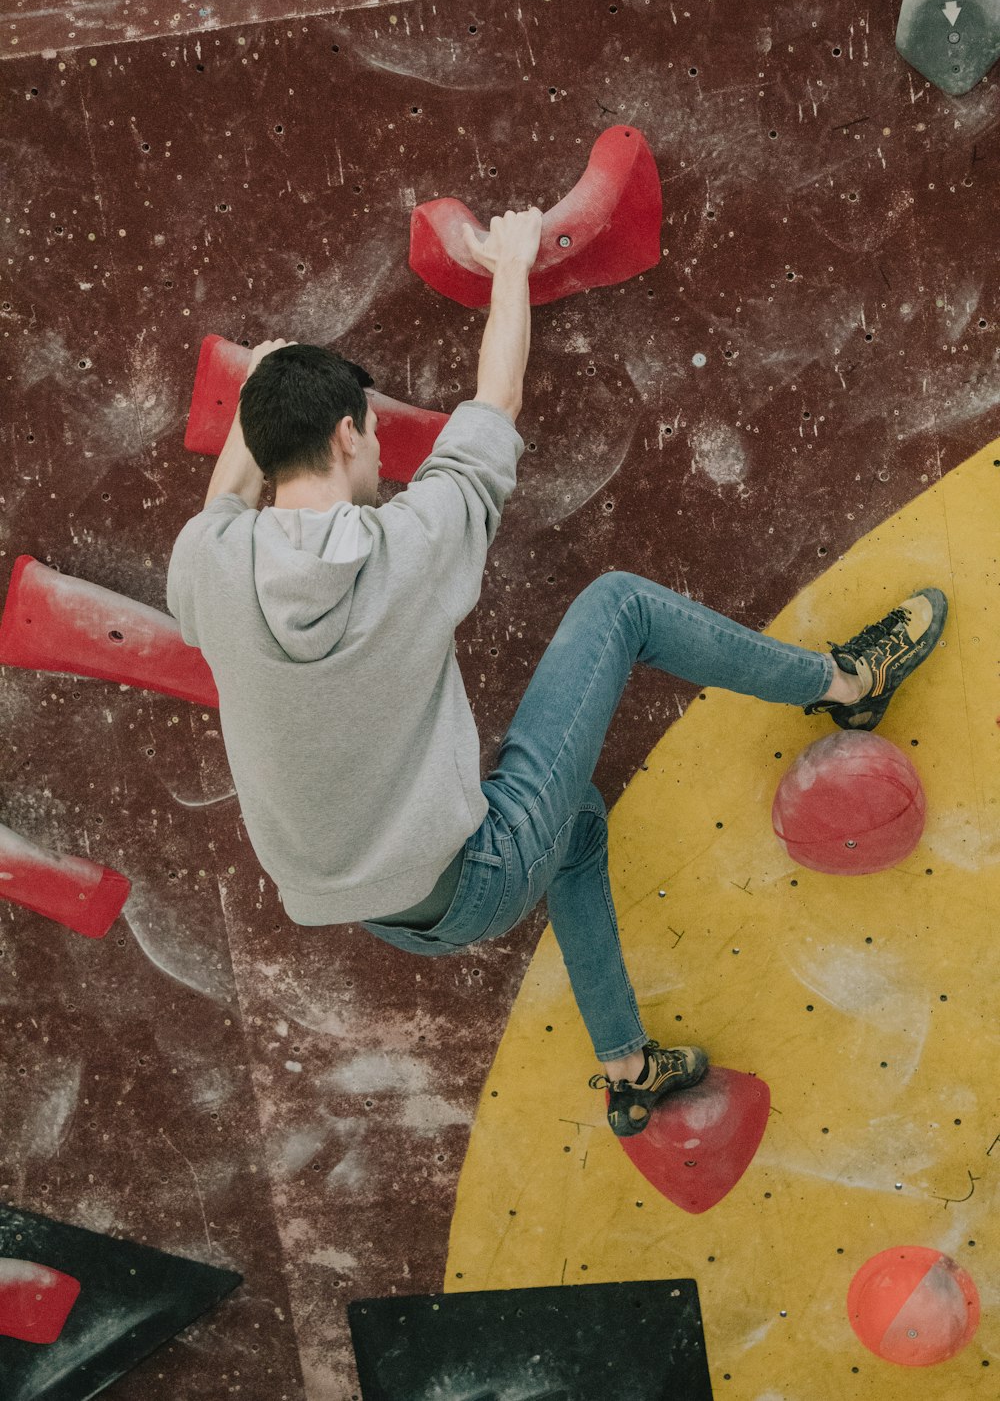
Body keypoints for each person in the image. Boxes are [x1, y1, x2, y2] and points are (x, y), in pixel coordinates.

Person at [166, 208, 947, 1138]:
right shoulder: (416, 537)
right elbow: (497, 398)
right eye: (368, 434)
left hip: (370, 909)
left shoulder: (202, 567)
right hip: (474, 870)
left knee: (574, 826)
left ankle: (628, 1069)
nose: (378, 450)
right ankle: (848, 685)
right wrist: (511, 263)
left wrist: (265, 384)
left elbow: (228, 497)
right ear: (347, 435)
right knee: (621, 605)